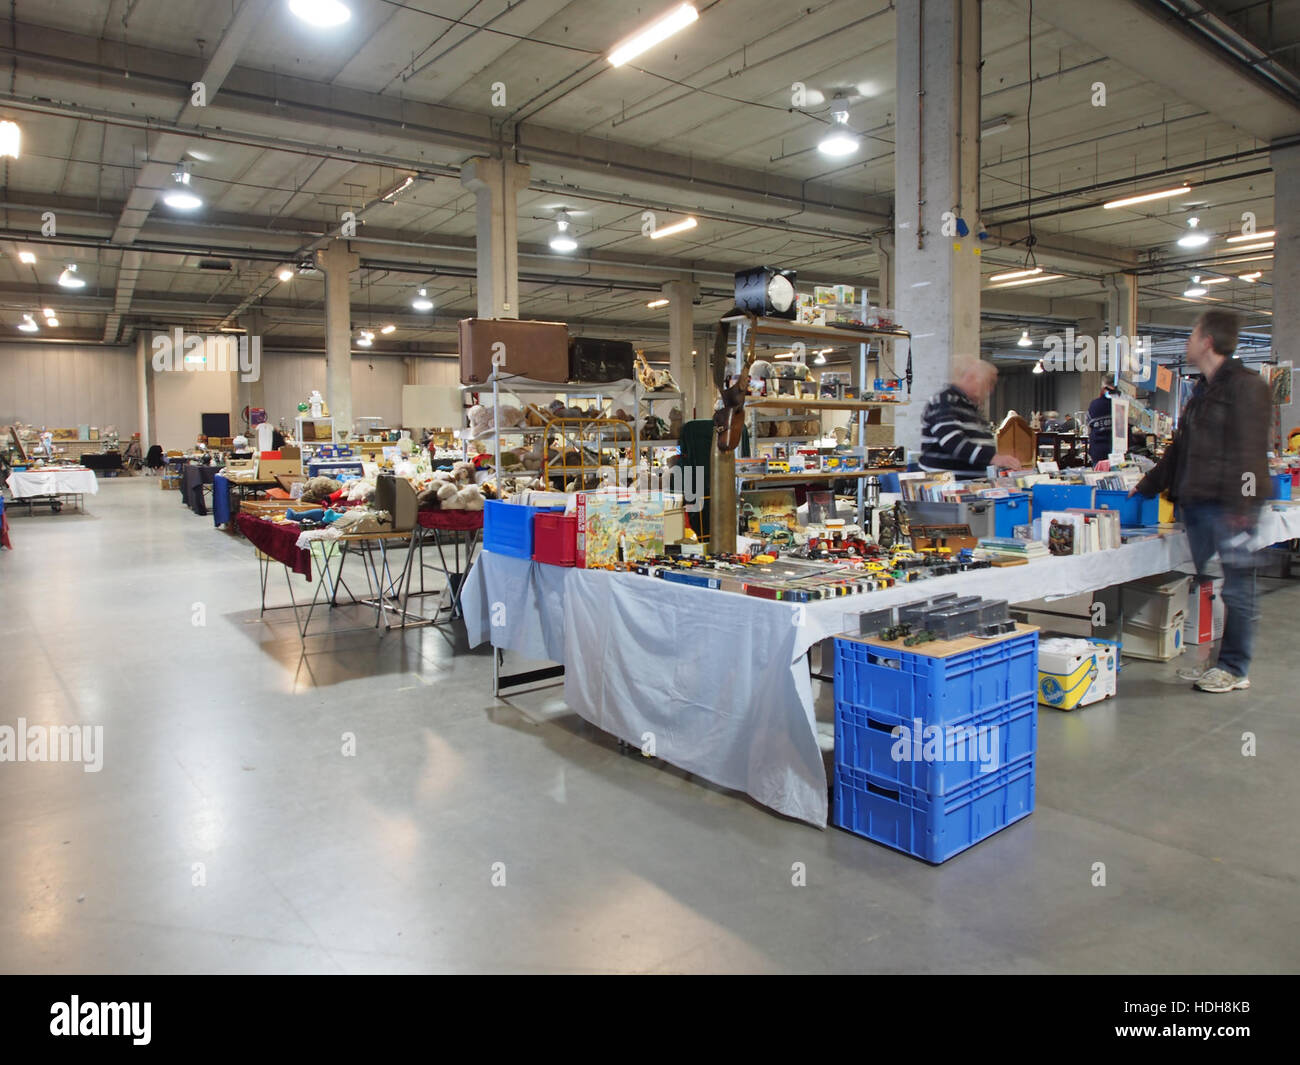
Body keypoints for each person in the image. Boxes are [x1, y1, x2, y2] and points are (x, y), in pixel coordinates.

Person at [1133, 310, 1271, 694]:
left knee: (1239, 589)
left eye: (1192, 334)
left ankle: (1235, 667)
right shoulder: (1202, 390)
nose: (1187, 342)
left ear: (1208, 341)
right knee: (1211, 585)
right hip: (1198, 504)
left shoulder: (1246, 386)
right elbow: (1180, 449)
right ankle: (1215, 661)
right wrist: (1148, 484)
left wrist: (1243, 508)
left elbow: (1250, 451)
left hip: (1230, 507)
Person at [920, 355, 1020, 478]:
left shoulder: (971, 408)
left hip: (970, 487)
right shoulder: (944, 401)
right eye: (989, 383)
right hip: (947, 488)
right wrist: (993, 458)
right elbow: (951, 440)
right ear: (972, 378)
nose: (990, 390)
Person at [1087, 385, 1119, 464]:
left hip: (1098, 450)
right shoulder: (1121, 404)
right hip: (1117, 451)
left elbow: (1089, 424)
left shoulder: (1094, 404)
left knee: (1098, 475)